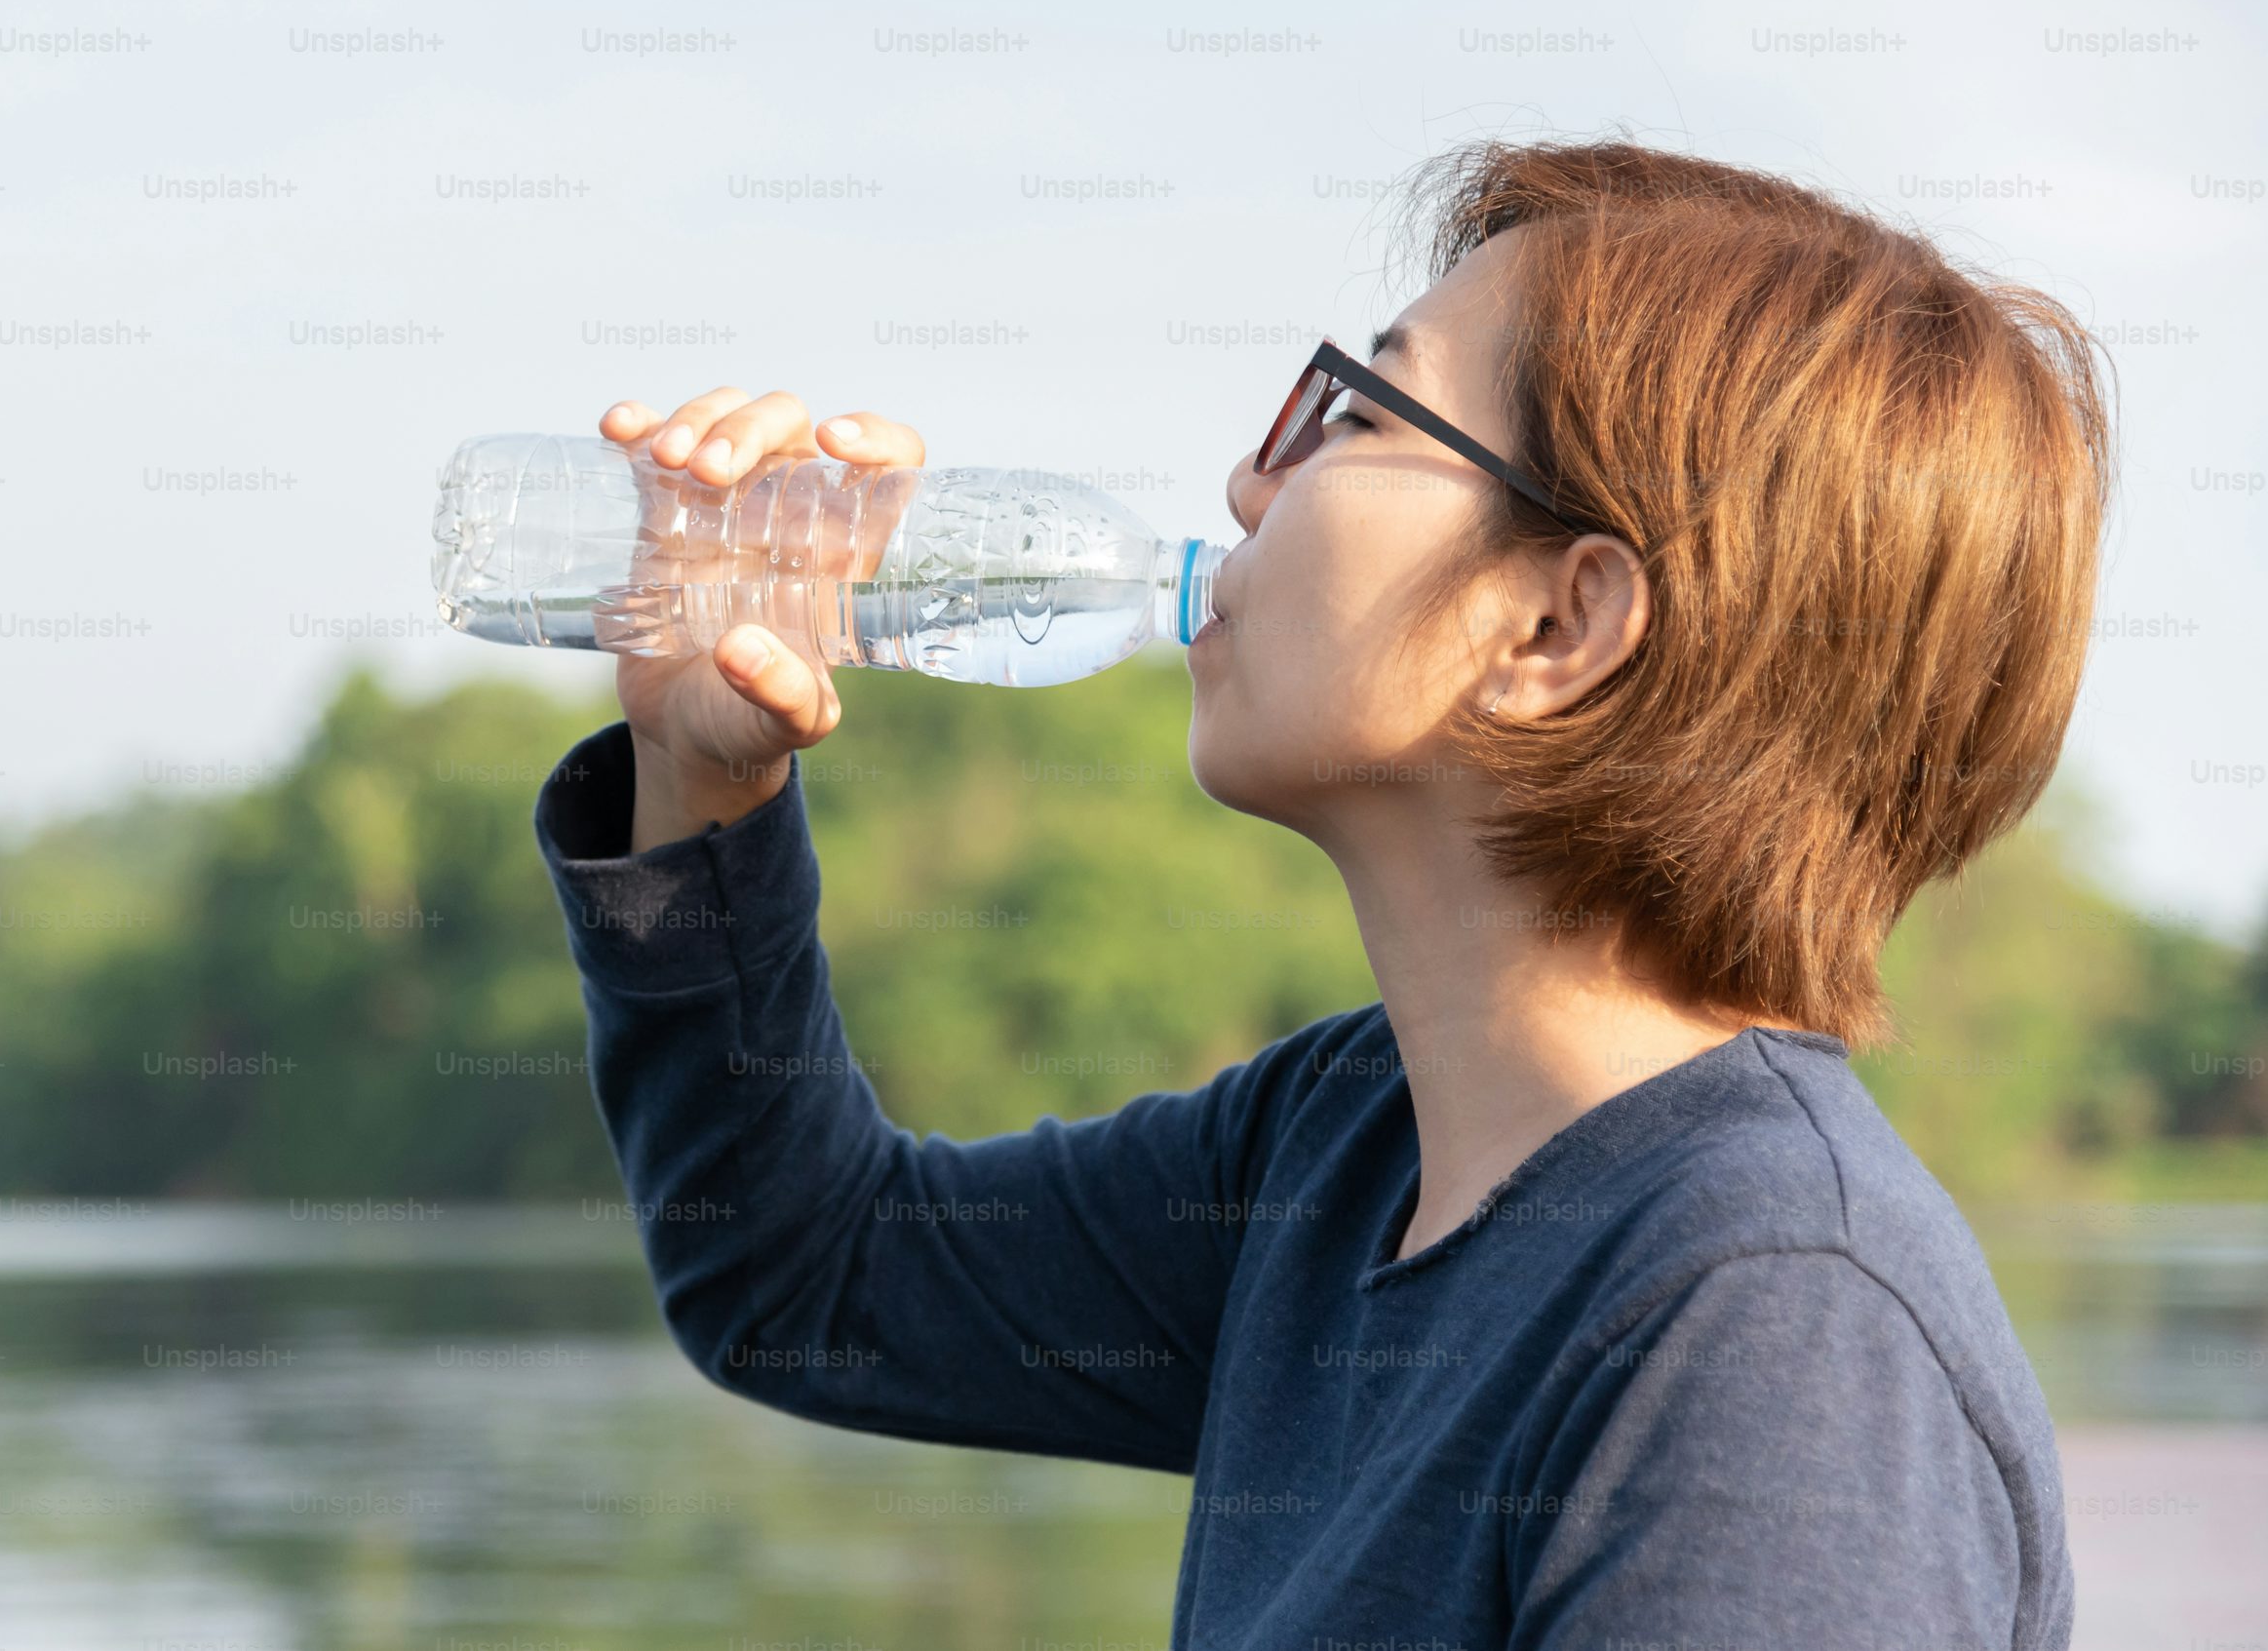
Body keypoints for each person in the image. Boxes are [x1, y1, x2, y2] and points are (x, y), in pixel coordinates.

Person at [529, 138, 2103, 1647]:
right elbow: (810, 1278)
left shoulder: (1775, 1324)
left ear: (1556, 629)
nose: (1247, 482)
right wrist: (700, 782)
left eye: (1355, 415)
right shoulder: (1346, 1147)